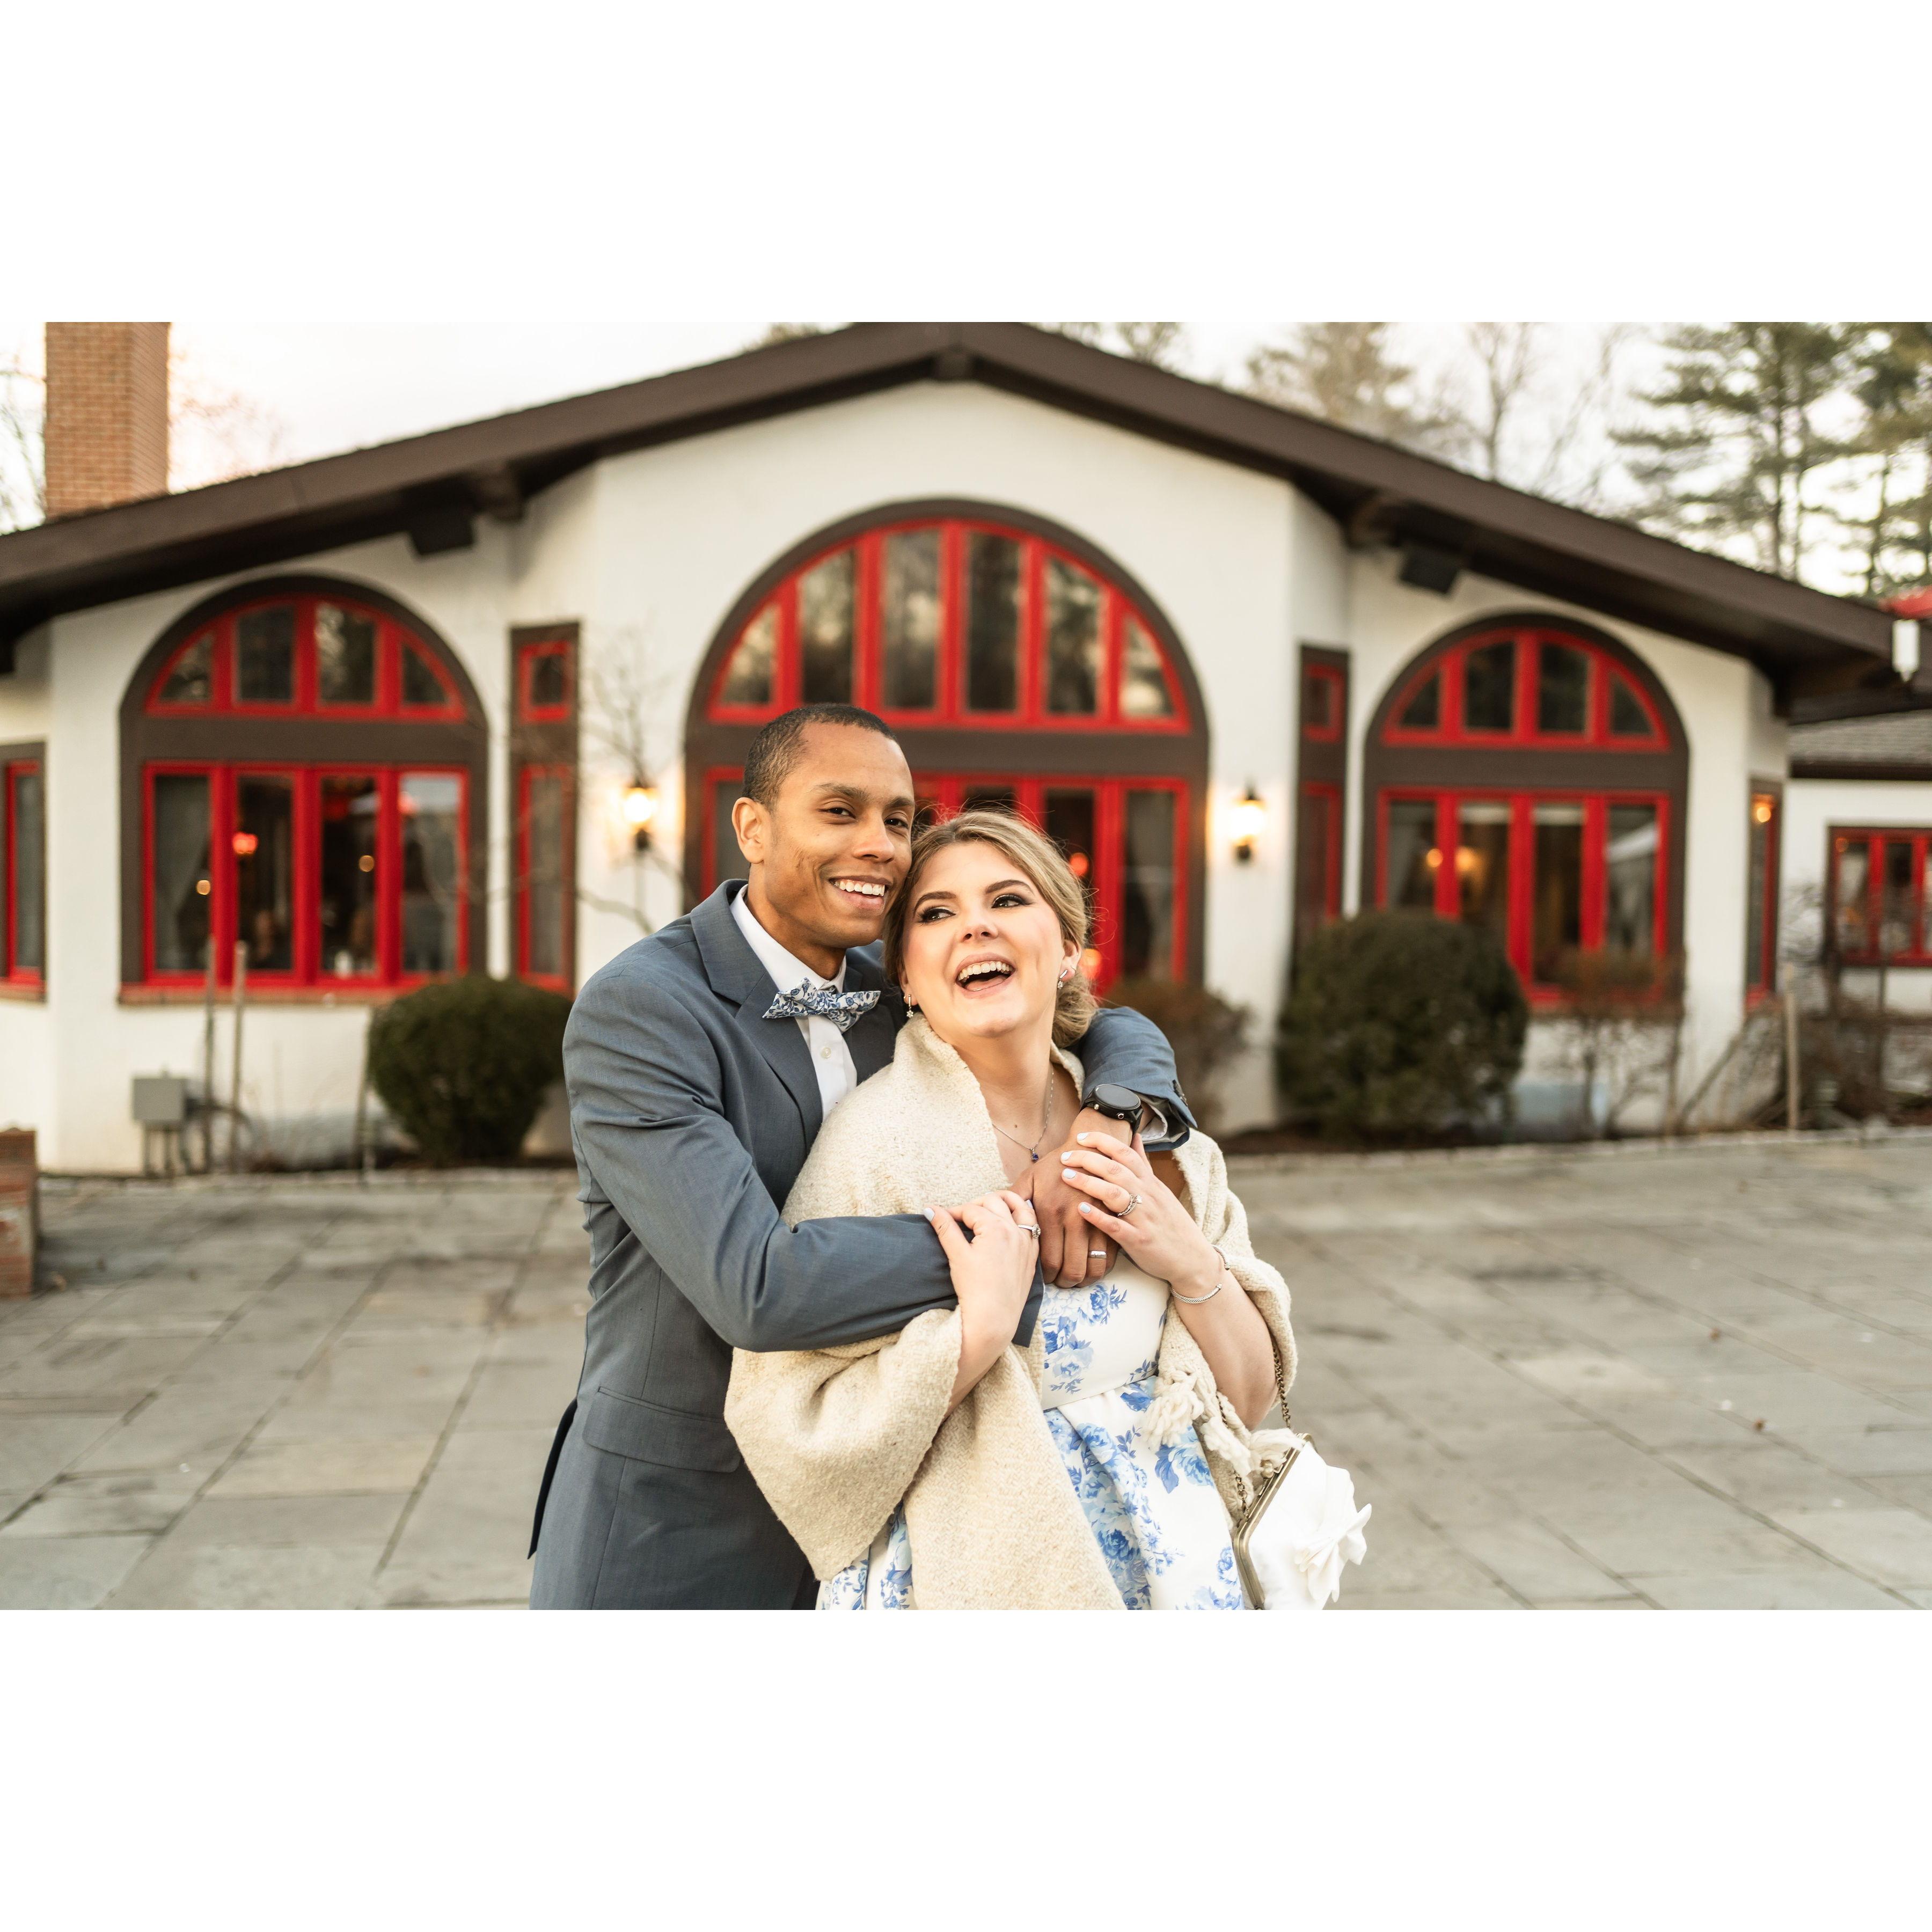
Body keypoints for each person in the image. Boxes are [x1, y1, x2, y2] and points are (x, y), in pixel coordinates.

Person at [528, 705, 1192, 1609]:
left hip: (899, 1510)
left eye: (898, 819)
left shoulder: (902, 990)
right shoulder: (643, 1009)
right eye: (840, 812)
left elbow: (1103, 1022)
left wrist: (1104, 1124)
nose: (880, 845)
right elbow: (755, 1285)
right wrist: (1019, 1223)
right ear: (753, 828)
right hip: (683, 1523)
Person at [724, 810, 1296, 1610]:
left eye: (1007, 900)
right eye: (937, 913)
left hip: (1180, 1574)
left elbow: (1248, 1401)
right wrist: (975, 1336)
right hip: (976, 1583)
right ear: (906, 977)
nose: (976, 927)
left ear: (1067, 950)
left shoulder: (1158, 1142)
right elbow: (785, 1419)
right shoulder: (870, 1147)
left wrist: (1189, 1258)